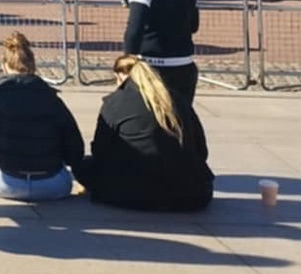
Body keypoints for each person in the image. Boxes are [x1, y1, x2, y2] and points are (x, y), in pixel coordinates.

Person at [73, 55, 214, 211]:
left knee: (84, 165)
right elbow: (201, 148)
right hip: (193, 195)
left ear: (120, 76)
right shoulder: (176, 99)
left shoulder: (115, 102)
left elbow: (100, 150)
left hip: (132, 193)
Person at [0, 32, 82, 200]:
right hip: (51, 184)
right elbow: (75, 149)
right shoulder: (52, 100)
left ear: (3, 65)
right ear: (33, 66)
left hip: (4, 181)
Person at [117, 0, 201, 107]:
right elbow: (194, 26)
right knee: (182, 116)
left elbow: (133, 32)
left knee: (150, 116)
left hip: (153, 65)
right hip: (184, 64)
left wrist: (126, 67)